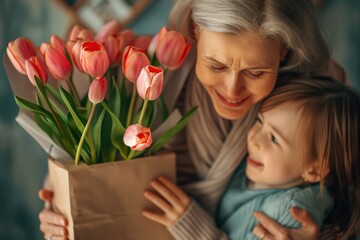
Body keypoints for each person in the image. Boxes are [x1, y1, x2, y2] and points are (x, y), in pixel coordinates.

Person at [38, 0, 348, 239]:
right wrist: (58, 209)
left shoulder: (314, 99)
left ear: (283, 50)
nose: (232, 90)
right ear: (195, 31)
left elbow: (342, 193)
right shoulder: (144, 74)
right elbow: (87, 161)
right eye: (215, 65)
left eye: (256, 73)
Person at [142, 77, 360, 239]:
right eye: (259, 121)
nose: (255, 138)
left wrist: (188, 221)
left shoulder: (290, 213)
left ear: (314, 171)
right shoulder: (262, 168)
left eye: (274, 139)